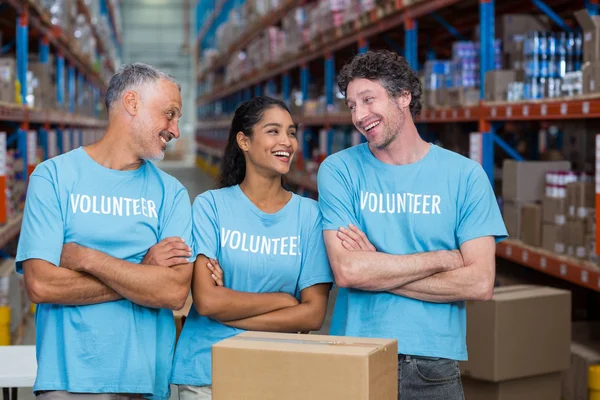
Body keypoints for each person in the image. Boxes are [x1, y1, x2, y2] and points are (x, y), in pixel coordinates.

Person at [316, 50, 508, 400]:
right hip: (357, 352)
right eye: (351, 105)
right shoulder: (338, 170)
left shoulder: (465, 176)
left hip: (433, 362)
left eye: (368, 99)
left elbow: (480, 282)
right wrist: (442, 259)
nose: (359, 115)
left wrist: (377, 270)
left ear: (403, 96)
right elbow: (348, 272)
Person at [16, 63, 195, 400]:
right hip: (67, 380)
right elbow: (41, 283)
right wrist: (144, 273)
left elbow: (172, 293)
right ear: (132, 103)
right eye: (169, 114)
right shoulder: (53, 178)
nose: (176, 130)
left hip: (144, 381)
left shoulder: (171, 194)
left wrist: (84, 257)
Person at [171, 96, 333, 399]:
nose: (286, 141)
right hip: (207, 373)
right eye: (273, 131)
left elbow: (312, 315)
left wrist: (229, 311)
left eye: (292, 132)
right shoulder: (211, 206)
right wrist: (284, 300)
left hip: (279, 374)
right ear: (244, 141)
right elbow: (206, 302)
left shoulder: (309, 215)